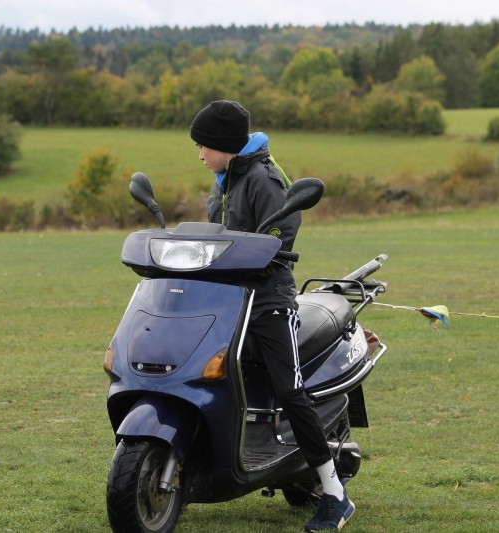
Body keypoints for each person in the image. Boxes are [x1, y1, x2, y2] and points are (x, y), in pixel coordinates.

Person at [189, 100, 355, 532]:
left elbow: (282, 232)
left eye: (203, 145)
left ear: (224, 145)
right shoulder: (223, 183)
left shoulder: (264, 178)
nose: (199, 154)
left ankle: (335, 493)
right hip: (226, 298)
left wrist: (256, 254)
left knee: (289, 389)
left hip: (268, 300)